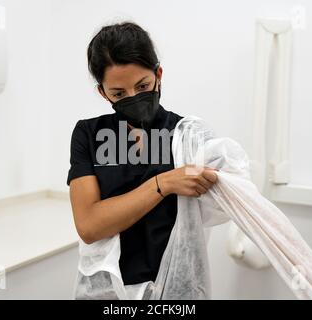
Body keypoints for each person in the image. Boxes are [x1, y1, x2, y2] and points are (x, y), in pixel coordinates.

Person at [67, 21, 218, 287]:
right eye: (118, 93)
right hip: (111, 292)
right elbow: (89, 225)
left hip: (177, 289)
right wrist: (164, 183)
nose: (133, 97)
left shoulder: (188, 136)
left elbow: (222, 189)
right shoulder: (88, 135)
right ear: (103, 93)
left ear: (158, 75)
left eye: (142, 86)